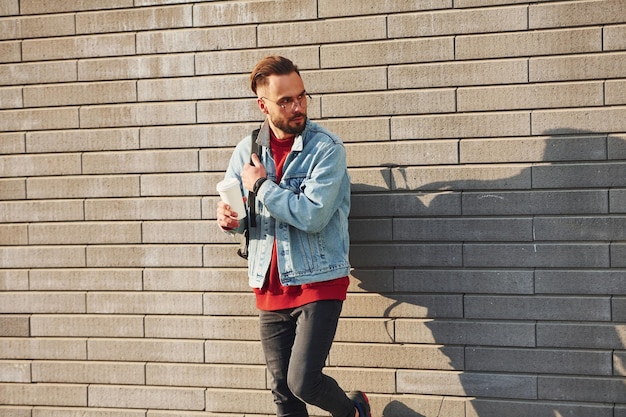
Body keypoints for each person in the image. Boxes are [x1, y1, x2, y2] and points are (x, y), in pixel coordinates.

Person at [216, 55, 372, 417]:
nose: (297, 106)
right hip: (269, 285)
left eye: (301, 96)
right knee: (282, 392)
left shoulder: (326, 149)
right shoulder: (247, 150)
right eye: (285, 101)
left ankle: (354, 413)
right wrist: (230, 219)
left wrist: (263, 187)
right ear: (263, 105)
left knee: (303, 381)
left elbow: (313, 215)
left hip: (318, 281)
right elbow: (242, 213)